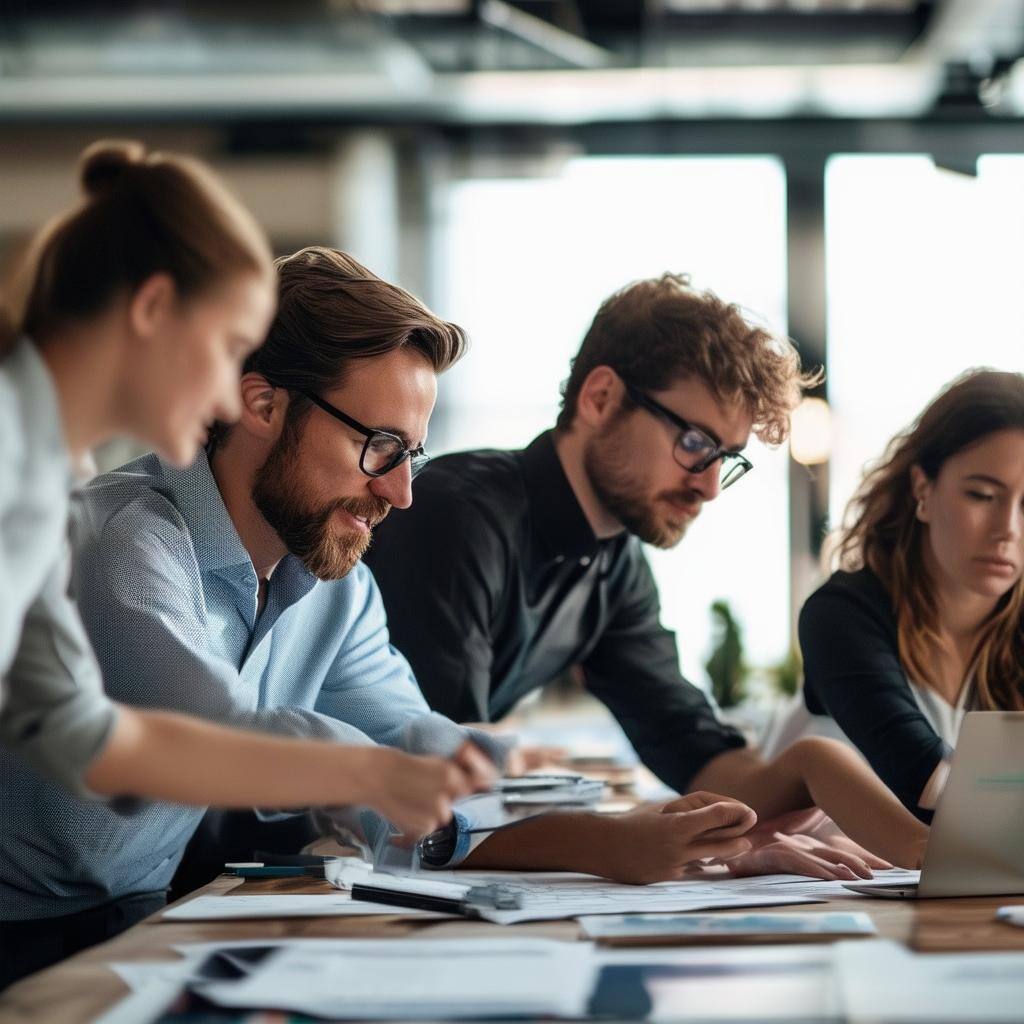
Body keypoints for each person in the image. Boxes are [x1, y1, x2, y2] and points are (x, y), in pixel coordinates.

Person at [0, 246, 759, 983]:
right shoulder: (118, 539)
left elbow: (406, 733)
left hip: (136, 919)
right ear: (261, 403)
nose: (400, 492)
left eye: (413, 455)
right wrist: (374, 771)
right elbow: (218, 739)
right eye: (381, 446)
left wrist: (511, 779)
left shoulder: (335, 583)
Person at [0, 145, 487, 988]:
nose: (231, 396)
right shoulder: (57, 488)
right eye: (225, 346)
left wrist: (382, 774)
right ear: (154, 310)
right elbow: (190, 732)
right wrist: (360, 769)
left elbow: (87, 737)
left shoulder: (46, 480)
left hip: (124, 916)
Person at [367, 273, 930, 871]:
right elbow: (439, 787)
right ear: (601, 398)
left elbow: (690, 745)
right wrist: (635, 840)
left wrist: (792, 788)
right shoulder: (456, 517)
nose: (710, 486)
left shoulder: (614, 561)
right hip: (307, 856)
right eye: (694, 442)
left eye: (727, 458)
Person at [798, 369, 1024, 822]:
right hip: (812, 886)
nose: (1008, 530)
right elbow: (926, 780)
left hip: (961, 887)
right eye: (982, 495)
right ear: (924, 489)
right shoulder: (841, 615)